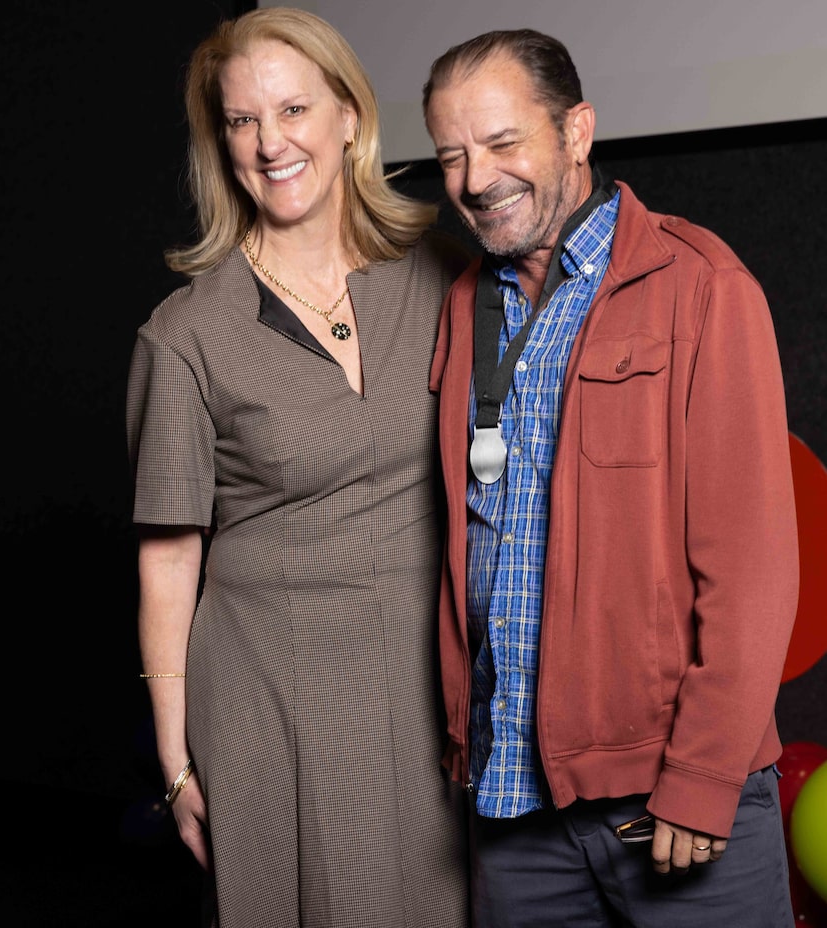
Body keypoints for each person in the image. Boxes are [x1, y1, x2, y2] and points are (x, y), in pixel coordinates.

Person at [422, 28, 800, 928]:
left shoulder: (702, 285)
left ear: (577, 132)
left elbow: (752, 568)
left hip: (668, 806)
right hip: (512, 806)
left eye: (504, 143)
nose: (476, 179)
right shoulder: (466, 302)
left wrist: (704, 778)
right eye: (451, 156)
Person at [126, 8, 471, 927]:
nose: (271, 142)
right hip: (273, 692)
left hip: (425, 689)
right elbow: (168, 560)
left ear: (350, 115)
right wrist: (176, 763)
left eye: (292, 110)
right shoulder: (185, 333)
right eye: (243, 121)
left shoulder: (441, 274)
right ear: (222, 141)